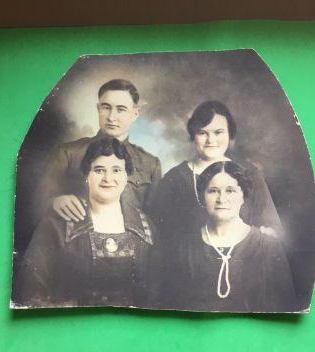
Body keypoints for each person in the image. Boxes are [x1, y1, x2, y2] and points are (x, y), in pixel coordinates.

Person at [12, 137, 161, 308]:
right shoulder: (58, 224)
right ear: (86, 175)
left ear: (126, 176)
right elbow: (31, 292)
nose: (108, 178)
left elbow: (155, 295)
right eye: (99, 170)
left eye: (116, 170)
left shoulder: (147, 228)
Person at [165, 161, 296, 313]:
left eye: (230, 191)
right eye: (213, 191)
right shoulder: (183, 247)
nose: (222, 199)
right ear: (203, 196)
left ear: (243, 196)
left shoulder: (267, 246)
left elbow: (284, 309)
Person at [153, 101, 282, 250]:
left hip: (244, 261)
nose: (211, 140)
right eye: (202, 133)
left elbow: (270, 227)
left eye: (218, 132)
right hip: (192, 266)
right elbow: (162, 235)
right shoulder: (174, 179)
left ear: (229, 133)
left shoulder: (249, 172)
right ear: (193, 135)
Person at [38, 79, 161, 222]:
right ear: (98, 109)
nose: (111, 117)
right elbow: (37, 204)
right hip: (78, 240)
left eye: (121, 109)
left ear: (135, 114)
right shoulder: (68, 153)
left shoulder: (151, 164)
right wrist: (54, 202)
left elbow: (155, 219)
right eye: (106, 107)